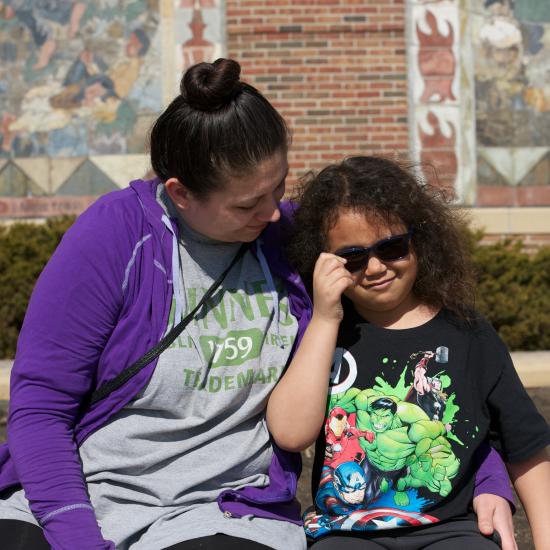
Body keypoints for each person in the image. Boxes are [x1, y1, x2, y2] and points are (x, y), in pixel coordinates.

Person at [0, 60, 515, 550]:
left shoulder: (290, 238)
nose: (274, 214)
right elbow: (42, 408)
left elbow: (415, 342)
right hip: (81, 492)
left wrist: (484, 472)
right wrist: (75, 534)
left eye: (280, 186)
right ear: (179, 193)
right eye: (248, 203)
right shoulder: (114, 236)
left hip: (220, 510)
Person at [268, 156, 550, 550]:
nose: (375, 267)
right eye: (353, 257)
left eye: (392, 247)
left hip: (453, 529)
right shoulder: (321, 332)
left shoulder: (467, 332)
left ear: (420, 240)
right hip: (346, 532)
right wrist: (324, 321)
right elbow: (289, 432)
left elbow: (525, 446)